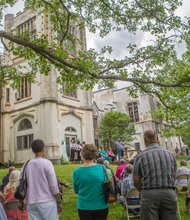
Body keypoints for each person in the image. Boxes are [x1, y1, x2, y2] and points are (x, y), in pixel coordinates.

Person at [133, 130, 177, 220]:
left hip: (149, 194)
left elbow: (136, 181)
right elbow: (174, 175)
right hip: (169, 193)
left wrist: (142, 190)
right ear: (156, 139)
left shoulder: (140, 156)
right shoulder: (170, 154)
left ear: (145, 140)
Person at [23, 139, 62, 220]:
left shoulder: (26, 164)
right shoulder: (47, 163)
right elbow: (53, 186)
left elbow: (22, 183)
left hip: (31, 202)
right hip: (47, 201)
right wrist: (58, 201)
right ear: (42, 149)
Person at [73, 144, 108, 220]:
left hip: (84, 207)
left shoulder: (76, 172)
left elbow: (76, 191)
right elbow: (107, 186)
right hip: (101, 206)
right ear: (95, 155)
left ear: (82, 154)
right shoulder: (103, 168)